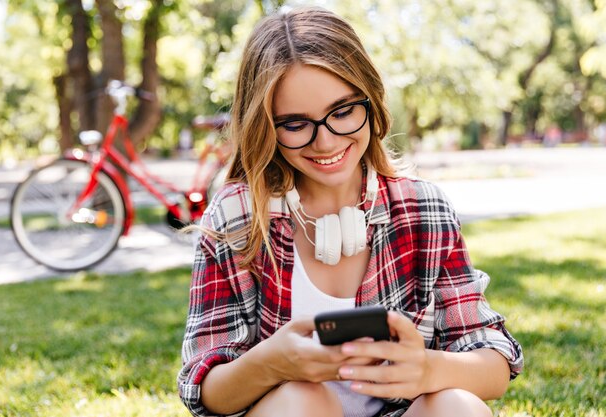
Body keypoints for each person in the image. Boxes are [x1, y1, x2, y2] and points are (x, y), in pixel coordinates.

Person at [177, 6, 523, 417]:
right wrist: (271, 364)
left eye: (342, 112)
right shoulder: (237, 216)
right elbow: (203, 389)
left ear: (371, 100)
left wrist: (429, 368)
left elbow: (494, 362)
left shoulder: (423, 209)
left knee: (458, 406)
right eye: (295, 124)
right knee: (303, 396)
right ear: (265, 125)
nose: (325, 143)